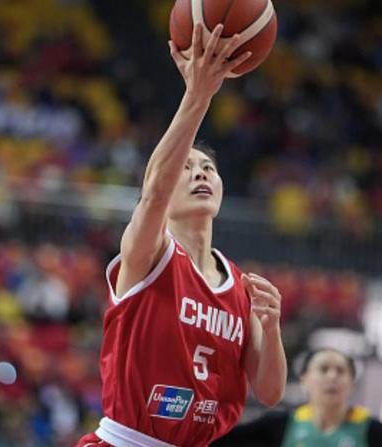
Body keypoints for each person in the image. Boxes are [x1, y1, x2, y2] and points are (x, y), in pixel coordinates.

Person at [77, 23, 288, 447]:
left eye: (208, 168)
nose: (200, 174)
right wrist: (198, 96)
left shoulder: (239, 287)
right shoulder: (151, 252)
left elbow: (269, 392)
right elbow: (154, 192)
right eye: (187, 168)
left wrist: (272, 327)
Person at [212, 348, 382, 447]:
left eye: (341, 371)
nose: (332, 377)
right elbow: (217, 440)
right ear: (304, 380)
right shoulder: (279, 426)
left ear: (352, 384)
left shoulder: (376, 433)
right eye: (323, 369)